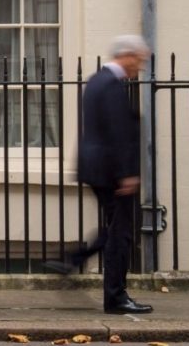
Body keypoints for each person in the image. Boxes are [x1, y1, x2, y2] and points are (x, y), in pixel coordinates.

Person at [43, 35, 153, 314]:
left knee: (115, 227)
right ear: (126, 55)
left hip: (97, 167)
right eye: (138, 60)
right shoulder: (111, 86)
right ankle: (115, 297)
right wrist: (127, 174)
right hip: (111, 171)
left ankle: (73, 260)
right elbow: (116, 132)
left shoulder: (96, 81)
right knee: (122, 234)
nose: (138, 66)